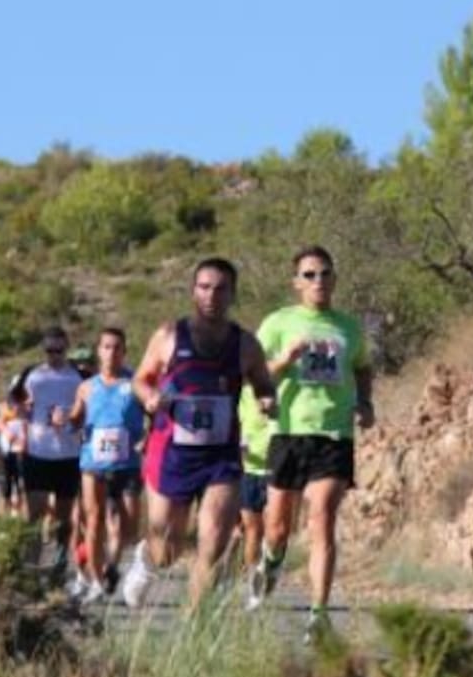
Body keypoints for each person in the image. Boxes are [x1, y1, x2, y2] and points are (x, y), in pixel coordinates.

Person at [124, 257, 275, 610]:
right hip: (172, 453)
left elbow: (264, 384)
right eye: (205, 287)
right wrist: (149, 397)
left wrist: (268, 400)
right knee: (168, 547)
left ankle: (194, 628)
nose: (212, 295)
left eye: (221, 289)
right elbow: (141, 378)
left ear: (233, 294)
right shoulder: (169, 336)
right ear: (193, 291)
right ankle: (148, 559)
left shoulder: (245, 345)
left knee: (214, 541)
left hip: (220, 456)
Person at [249, 245, 375, 643]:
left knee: (322, 518)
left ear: (334, 279)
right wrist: (284, 360)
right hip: (288, 433)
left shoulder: (349, 328)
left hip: (334, 435)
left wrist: (366, 401)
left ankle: (318, 615)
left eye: (324, 273)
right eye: (309, 274)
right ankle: (271, 561)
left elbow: (363, 366)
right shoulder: (278, 323)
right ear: (296, 283)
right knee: (277, 527)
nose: (318, 281)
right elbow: (254, 370)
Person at [67, 327, 145, 604]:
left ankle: (112, 565)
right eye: (106, 347)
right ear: (98, 351)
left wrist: (147, 438)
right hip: (93, 461)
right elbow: (75, 419)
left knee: (129, 526)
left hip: (128, 463)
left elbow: (156, 413)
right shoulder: (87, 387)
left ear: (124, 352)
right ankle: (97, 582)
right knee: (94, 520)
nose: (111, 352)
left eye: (117, 347)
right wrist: (64, 419)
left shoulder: (136, 382)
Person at [18, 328, 84, 579]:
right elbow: (15, 403)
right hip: (37, 452)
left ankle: (59, 562)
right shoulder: (32, 375)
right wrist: (23, 411)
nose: (54, 355)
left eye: (59, 350)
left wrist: (70, 418)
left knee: (64, 516)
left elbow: (86, 413)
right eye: (49, 351)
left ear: (67, 347)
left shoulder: (78, 376)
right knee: (34, 512)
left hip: (68, 454)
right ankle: (31, 565)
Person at [221, 384, 273, 583]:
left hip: (276, 469)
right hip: (247, 468)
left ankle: (251, 572)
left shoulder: (284, 386)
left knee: (267, 528)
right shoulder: (241, 389)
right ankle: (247, 576)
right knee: (248, 527)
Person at [0, 387, 27, 518]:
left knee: (22, 486)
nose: (17, 406)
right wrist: (7, 433)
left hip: (23, 453)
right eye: (14, 402)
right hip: (6, 452)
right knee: (6, 486)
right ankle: (4, 518)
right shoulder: (5, 414)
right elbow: (0, 422)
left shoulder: (27, 414)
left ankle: (19, 516)